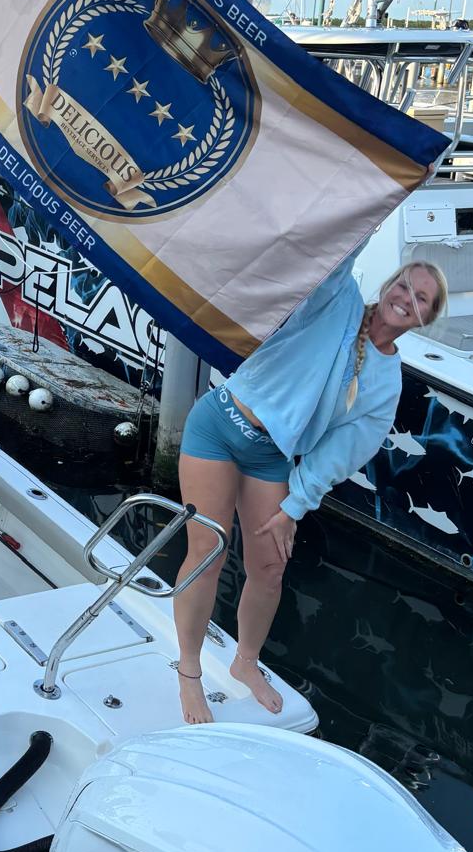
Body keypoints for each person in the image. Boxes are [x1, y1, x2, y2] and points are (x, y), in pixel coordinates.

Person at [173, 254, 447, 724]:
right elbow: (338, 246)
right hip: (219, 423)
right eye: (402, 285)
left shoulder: (387, 386)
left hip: (270, 454)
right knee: (208, 551)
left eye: (419, 297)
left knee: (271, 567)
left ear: (426, 318)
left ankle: (246, 659)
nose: (405, 298)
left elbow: (342, 451)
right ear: (387, 285)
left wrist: (294, 505)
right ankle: (190, 670)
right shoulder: (337, 299)